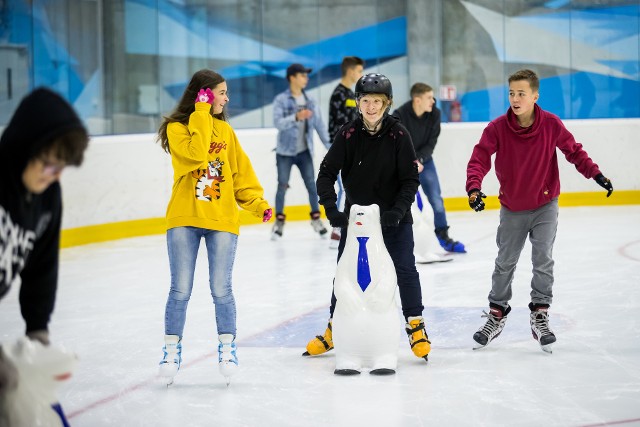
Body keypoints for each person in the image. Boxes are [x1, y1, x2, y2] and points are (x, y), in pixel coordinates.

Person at [466, 69, 613, 352]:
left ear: (535, 96)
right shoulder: (496, 128)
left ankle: (540, 314)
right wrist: (474, 188)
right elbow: (479, 158)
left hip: (545, 204)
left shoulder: (551, 124)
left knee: (542, 259)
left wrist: (595, 174)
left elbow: (574, 152)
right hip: (512, 206)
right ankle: (496, 314)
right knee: (505, 262)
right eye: (511, 93)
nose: (515, 98)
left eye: (521, 93)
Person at [304, 73, 431, 366]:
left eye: (377, 101)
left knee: (405, 269)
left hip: (393, 218)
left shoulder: (399, 135)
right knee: (344, 274)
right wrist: (331, 209)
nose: (371, 107)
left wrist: (398, 211)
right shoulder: (347, 135)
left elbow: (410, 179)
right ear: (358, 103)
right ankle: (335, 328)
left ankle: (415, 324)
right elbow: (325, 174)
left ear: (386, 103)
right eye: (365, 101)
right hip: (358, 220)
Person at [156, 69, 272, 384]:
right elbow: (195, 155)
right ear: (204, 94)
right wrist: (201, 112)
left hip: (222, 220)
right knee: (180, 288)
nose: (227, 98)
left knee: (222, 288)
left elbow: (240, 176)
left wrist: (257, 203)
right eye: (221, 92)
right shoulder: (177, 129)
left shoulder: (226, 133)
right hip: (185, 218)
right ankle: (171, 348)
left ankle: (227, 346)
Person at [0, 87, 90, 424]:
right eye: (48, 164)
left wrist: (37, 330)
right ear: (25, 147)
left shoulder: (47, 197)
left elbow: (42, 266)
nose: (52, 177)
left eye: (60, 169)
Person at [393, 83, 466, 253]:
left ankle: (444, 237)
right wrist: (410, 161)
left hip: (425, 161)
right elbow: (396, 143)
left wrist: (419, 159)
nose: (433, 101)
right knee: (399, 202)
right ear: (417, 100)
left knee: (436, 201)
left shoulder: (435, 114)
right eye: (429, 98)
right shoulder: (399, 115)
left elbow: (431, 143)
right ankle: (397, 240)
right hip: (403, 163)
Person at [272, 63, 331, 240]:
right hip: (285, 152)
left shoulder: (310, 100)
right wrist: (296, 117)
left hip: (304, 151)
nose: (306, 78)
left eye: (306, 75)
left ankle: (316, 219)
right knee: (282, 185)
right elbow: (278, 123)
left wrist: (331, 148)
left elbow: (320, 126)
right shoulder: (281, 100)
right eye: (302, 75)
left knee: (312, 186)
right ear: (292, 77)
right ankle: (279, 221)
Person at [327, 56, 365, 249]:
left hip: (351, 150)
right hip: (342, 150)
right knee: (344, 187)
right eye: (359, 71)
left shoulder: (350, 94)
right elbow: (340, 127)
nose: (360, 75)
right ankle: (337, 230)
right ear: (350, 71)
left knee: (349, 187)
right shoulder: (339, 94)